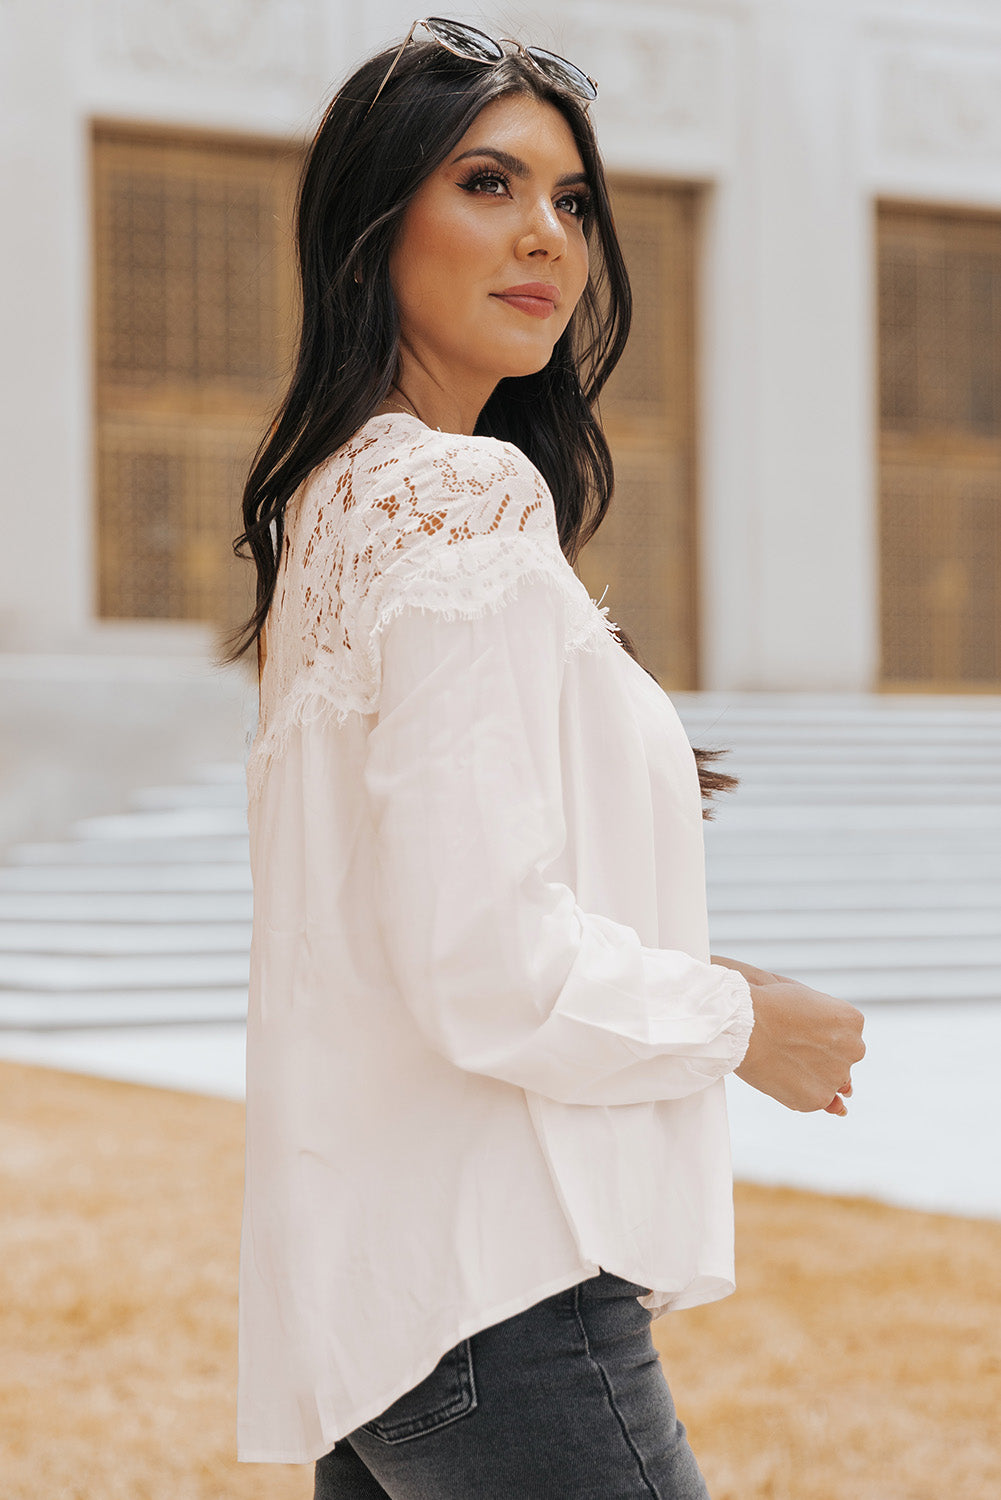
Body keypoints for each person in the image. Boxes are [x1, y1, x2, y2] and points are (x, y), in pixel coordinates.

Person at [221, 18, 867, 1498]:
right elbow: (483, 962)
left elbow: (416, 917)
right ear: (374, 222)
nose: (547, 238)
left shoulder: (335, 505)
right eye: (487, 183)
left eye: (571, 200)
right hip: (497, 1292)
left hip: (384, 1309)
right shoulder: (455, 495)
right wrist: (742, 1025)